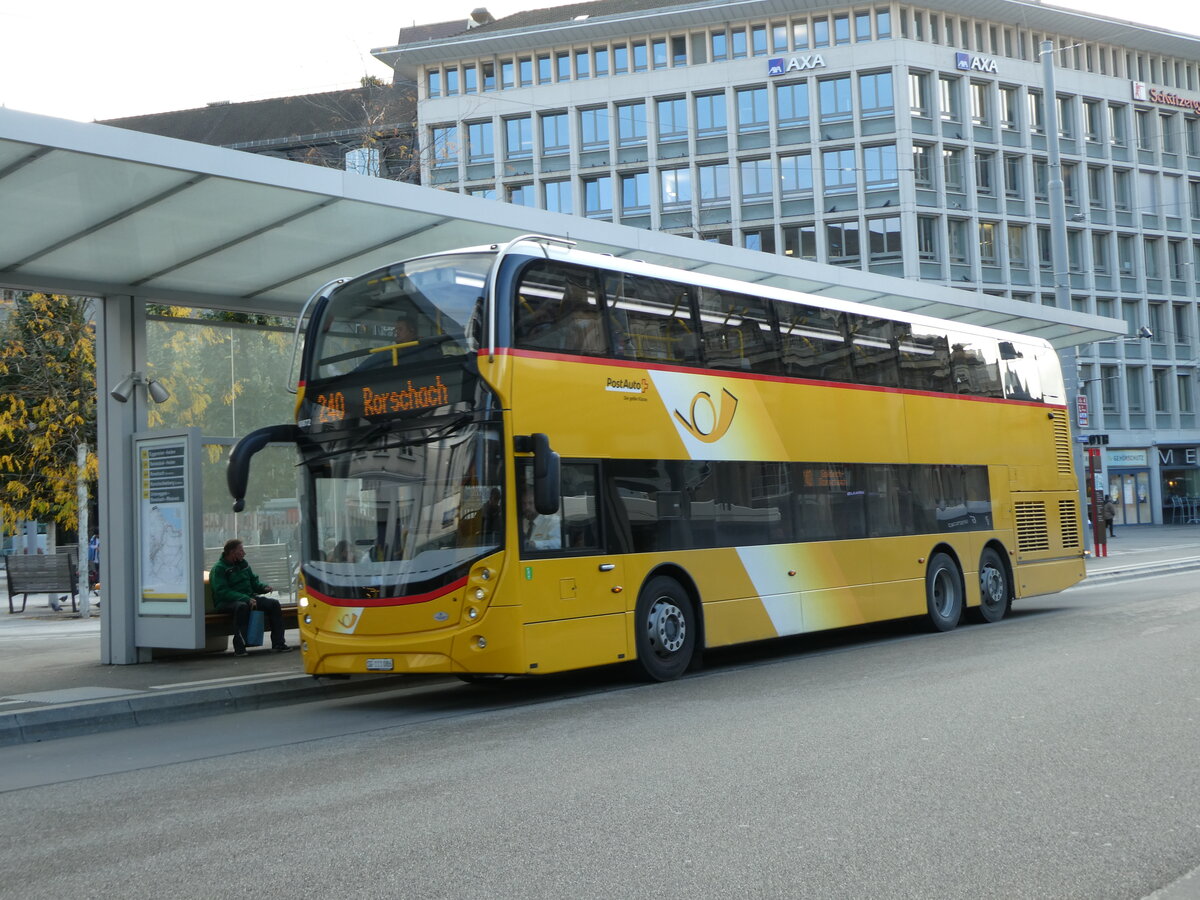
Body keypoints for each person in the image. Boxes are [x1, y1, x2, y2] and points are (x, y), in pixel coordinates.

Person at [210, 539, 292, 656]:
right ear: (232, 552)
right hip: (226, 602)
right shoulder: (220, 568)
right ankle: (239, 647)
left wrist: (263, 587)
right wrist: (245, 598)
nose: (244, 553)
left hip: (248, 598)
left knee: (273, 604)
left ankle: (278, 643)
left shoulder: (243, 564)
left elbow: (254, 583)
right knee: (242, 607)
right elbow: (222, 592)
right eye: (241, 550)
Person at [520, 485, 562, 552]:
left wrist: (535, 544)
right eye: (524, 504)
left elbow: (559, 543)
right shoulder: (525, 522)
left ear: (538, 503)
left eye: (530, 503)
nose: (527, 507)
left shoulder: (552, 521)